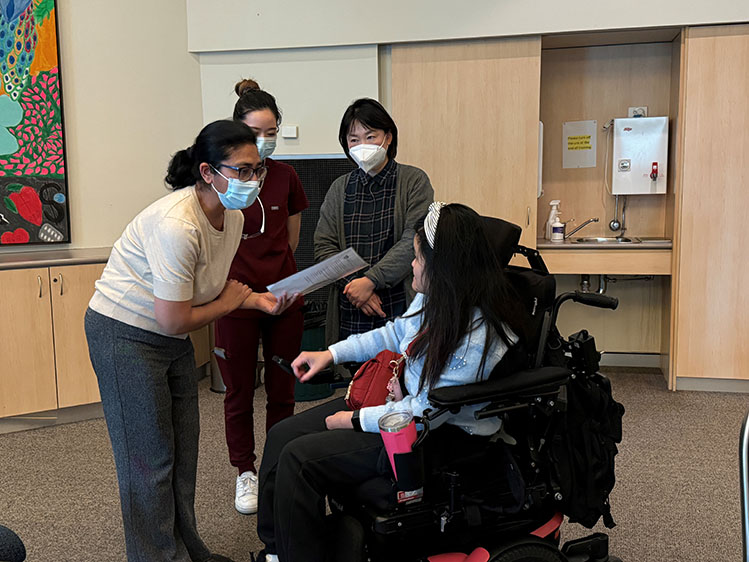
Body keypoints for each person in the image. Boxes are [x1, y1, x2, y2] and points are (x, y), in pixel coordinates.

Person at [253, 202, 526, 562]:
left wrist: (352, 420)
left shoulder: (478, 337)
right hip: (402, 408)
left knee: (299, 460)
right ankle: (277, 550)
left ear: (442, 266)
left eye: (417, 258)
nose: (412, 265)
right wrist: (330, 354)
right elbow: (394, 333)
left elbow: (427, 411)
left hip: (435, 436)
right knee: (281, 434)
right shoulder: (438, 298)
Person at [85, 120, 297, 562]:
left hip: (170, 335)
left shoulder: (233, 217)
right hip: (126, 333)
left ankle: (186, 548)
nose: (253, 180)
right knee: (148, 461)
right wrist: (235, 302)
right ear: (207, 171)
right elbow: (174, 317)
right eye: (241, 170)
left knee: (182, 454)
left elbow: (212, 286)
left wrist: (256, 300)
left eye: (257, 169)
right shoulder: (176, 225)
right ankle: (156, 557)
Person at [213, 79, 310, 515]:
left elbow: (289, 239)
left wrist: (280, 279)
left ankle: (275, 463)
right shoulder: (224, 181)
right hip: (234, 298)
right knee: (237, 391)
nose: (265, 142)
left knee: (282, 386)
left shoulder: (286, 177)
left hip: (283, 297)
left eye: (271, 132)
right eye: (256, 134)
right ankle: (245, 473)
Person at [314, 98, 433, 346]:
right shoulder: (339, 188)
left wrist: (370, 281)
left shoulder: (414, 181)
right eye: (354, 139)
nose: (362, 145)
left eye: (371, 136)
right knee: (355, 379)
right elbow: (324, 247)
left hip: (399, 302)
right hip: (351, 307)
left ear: (388, 137)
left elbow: (414, 241)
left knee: (399, 375)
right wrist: (356, 288)